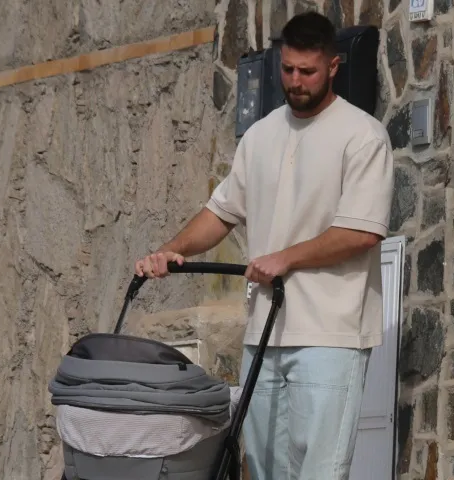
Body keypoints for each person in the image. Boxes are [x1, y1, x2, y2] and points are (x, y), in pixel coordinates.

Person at [135, 11, 394, 480]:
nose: (295, 81)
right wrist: (173, 248)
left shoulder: (363, 137)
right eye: (288, 69)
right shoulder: (260, 136)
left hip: (330, 335)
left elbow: (363, 232)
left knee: (318, 472)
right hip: (264, 334)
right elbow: (221, 212)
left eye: (307, 71)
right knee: (267, 472)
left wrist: (284, 259)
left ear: (333, 66)